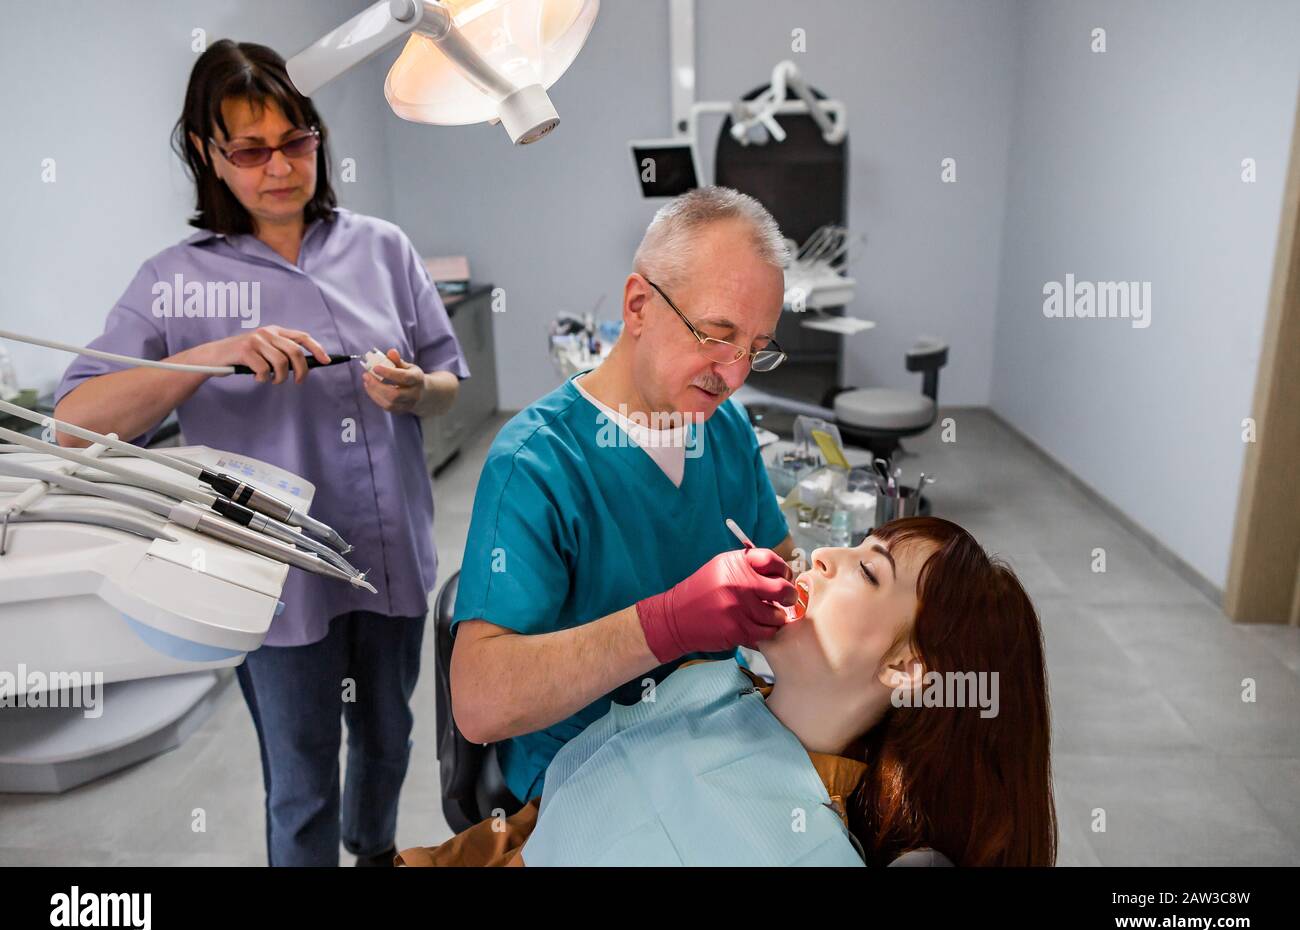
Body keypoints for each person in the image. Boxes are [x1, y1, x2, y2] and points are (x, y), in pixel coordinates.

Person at [52, 40, 469, 866]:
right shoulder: (178, 281)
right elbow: (74, 422)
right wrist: (211, 355)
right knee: (303, 775)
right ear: (209, 156)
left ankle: (374, 850)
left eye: (296, 141)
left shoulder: (383, 247)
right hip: (275, 585)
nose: (278, 167)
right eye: (249, 149)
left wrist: (417, 391)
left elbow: (451, 375)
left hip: (390, 561)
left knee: (389, 740)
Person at [398, 517, 1057, 866]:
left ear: (909, 670)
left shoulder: (812, 851)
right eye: (853, 542)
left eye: (868, 569)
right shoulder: (701, 684)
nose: (825, 555)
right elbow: (540, 821)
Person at [450, 186, 801, 807]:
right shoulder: (538, 462)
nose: (735, 374)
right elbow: (479, 704)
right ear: (638, 305)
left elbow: (782, 561)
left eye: (756, 349)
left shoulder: (724, 428)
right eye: (716, 335)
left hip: (714, 737)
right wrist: (664, 624)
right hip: (588, 769)